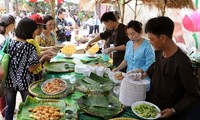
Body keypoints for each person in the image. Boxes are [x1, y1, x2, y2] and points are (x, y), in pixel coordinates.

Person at [128, 16, 200, 120]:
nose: (150, 42)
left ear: (162, 38)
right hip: (153, 105)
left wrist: (174, 109)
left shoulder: (181, 62)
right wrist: (145, 73)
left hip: (167, 112)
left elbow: (194, 93)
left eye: (152, 39)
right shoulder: (159, 51)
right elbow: (155, 65)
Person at [1, 17, 47, 120]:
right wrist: (43, 58)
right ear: (29, 31)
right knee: (29, 108)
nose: (35, 33)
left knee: (10, 107)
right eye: (34, 30)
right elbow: (31, 69)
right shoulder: (30, 47)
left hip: (9, 82)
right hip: (25, 83)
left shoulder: (7, 43)